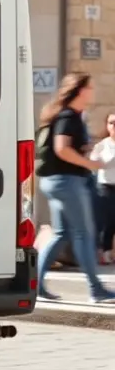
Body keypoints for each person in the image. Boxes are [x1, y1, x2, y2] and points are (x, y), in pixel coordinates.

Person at [36, 72, 115, 304]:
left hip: (57, 181)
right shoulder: (69, 115)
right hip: (67, 181)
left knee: (61, 234)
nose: (92, 92)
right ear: (80, 90)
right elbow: (62, 149)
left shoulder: (67, 115)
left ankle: (38, 285)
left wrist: (86, 149)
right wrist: (89, 163)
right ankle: (96, 289)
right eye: (89, 88)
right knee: (83, 234)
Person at [88, 112, 115, 265]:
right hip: (106, 187)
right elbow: (94, 162)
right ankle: (103, 253)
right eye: (112, 123)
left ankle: (108, 252)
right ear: (107, 126)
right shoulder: (102, 145)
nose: (114, 126)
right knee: (106, 221)